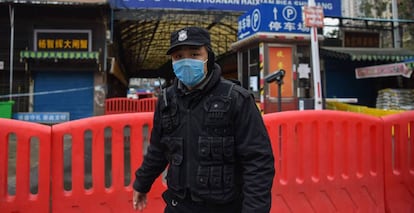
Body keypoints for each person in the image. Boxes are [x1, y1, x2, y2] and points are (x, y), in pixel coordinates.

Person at [132, 26, 275, 213]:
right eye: (178, 57)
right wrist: (142, 183)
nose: (186, 62)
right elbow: (158, 149)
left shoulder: (236, 99)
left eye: (194, 54)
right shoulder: (166, 101)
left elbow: (258, 162)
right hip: (178, 205)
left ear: (209, 57)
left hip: (224, 208)